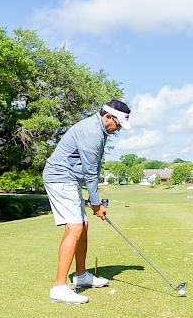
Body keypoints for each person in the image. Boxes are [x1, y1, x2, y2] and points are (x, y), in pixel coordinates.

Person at [43, 99, 131, 304]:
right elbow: (90, 173)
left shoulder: (99, 131)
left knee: (83, 225)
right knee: (74, 228)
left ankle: (81, 275)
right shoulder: (92, 132)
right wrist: (96, 203)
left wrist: (95, 202)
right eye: (118, 125)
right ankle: (59, 287)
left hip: (70, 179)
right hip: (60, 177)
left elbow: (93, 168)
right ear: (108, 117)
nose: (118, 130)